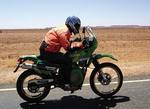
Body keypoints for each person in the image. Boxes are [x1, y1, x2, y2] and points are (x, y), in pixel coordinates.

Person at [39, 16, 83, 86]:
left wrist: (75, 42)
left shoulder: (64, 29)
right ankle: (63, 81)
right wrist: (78, 46)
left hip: (48, 51)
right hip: (48, 52)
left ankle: (61, 77)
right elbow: (67, 47)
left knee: (64, 57)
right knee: (68, 60)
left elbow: (67, 42)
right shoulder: (64, 31)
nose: (77, 27)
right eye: (77, 25)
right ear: (72, 24)